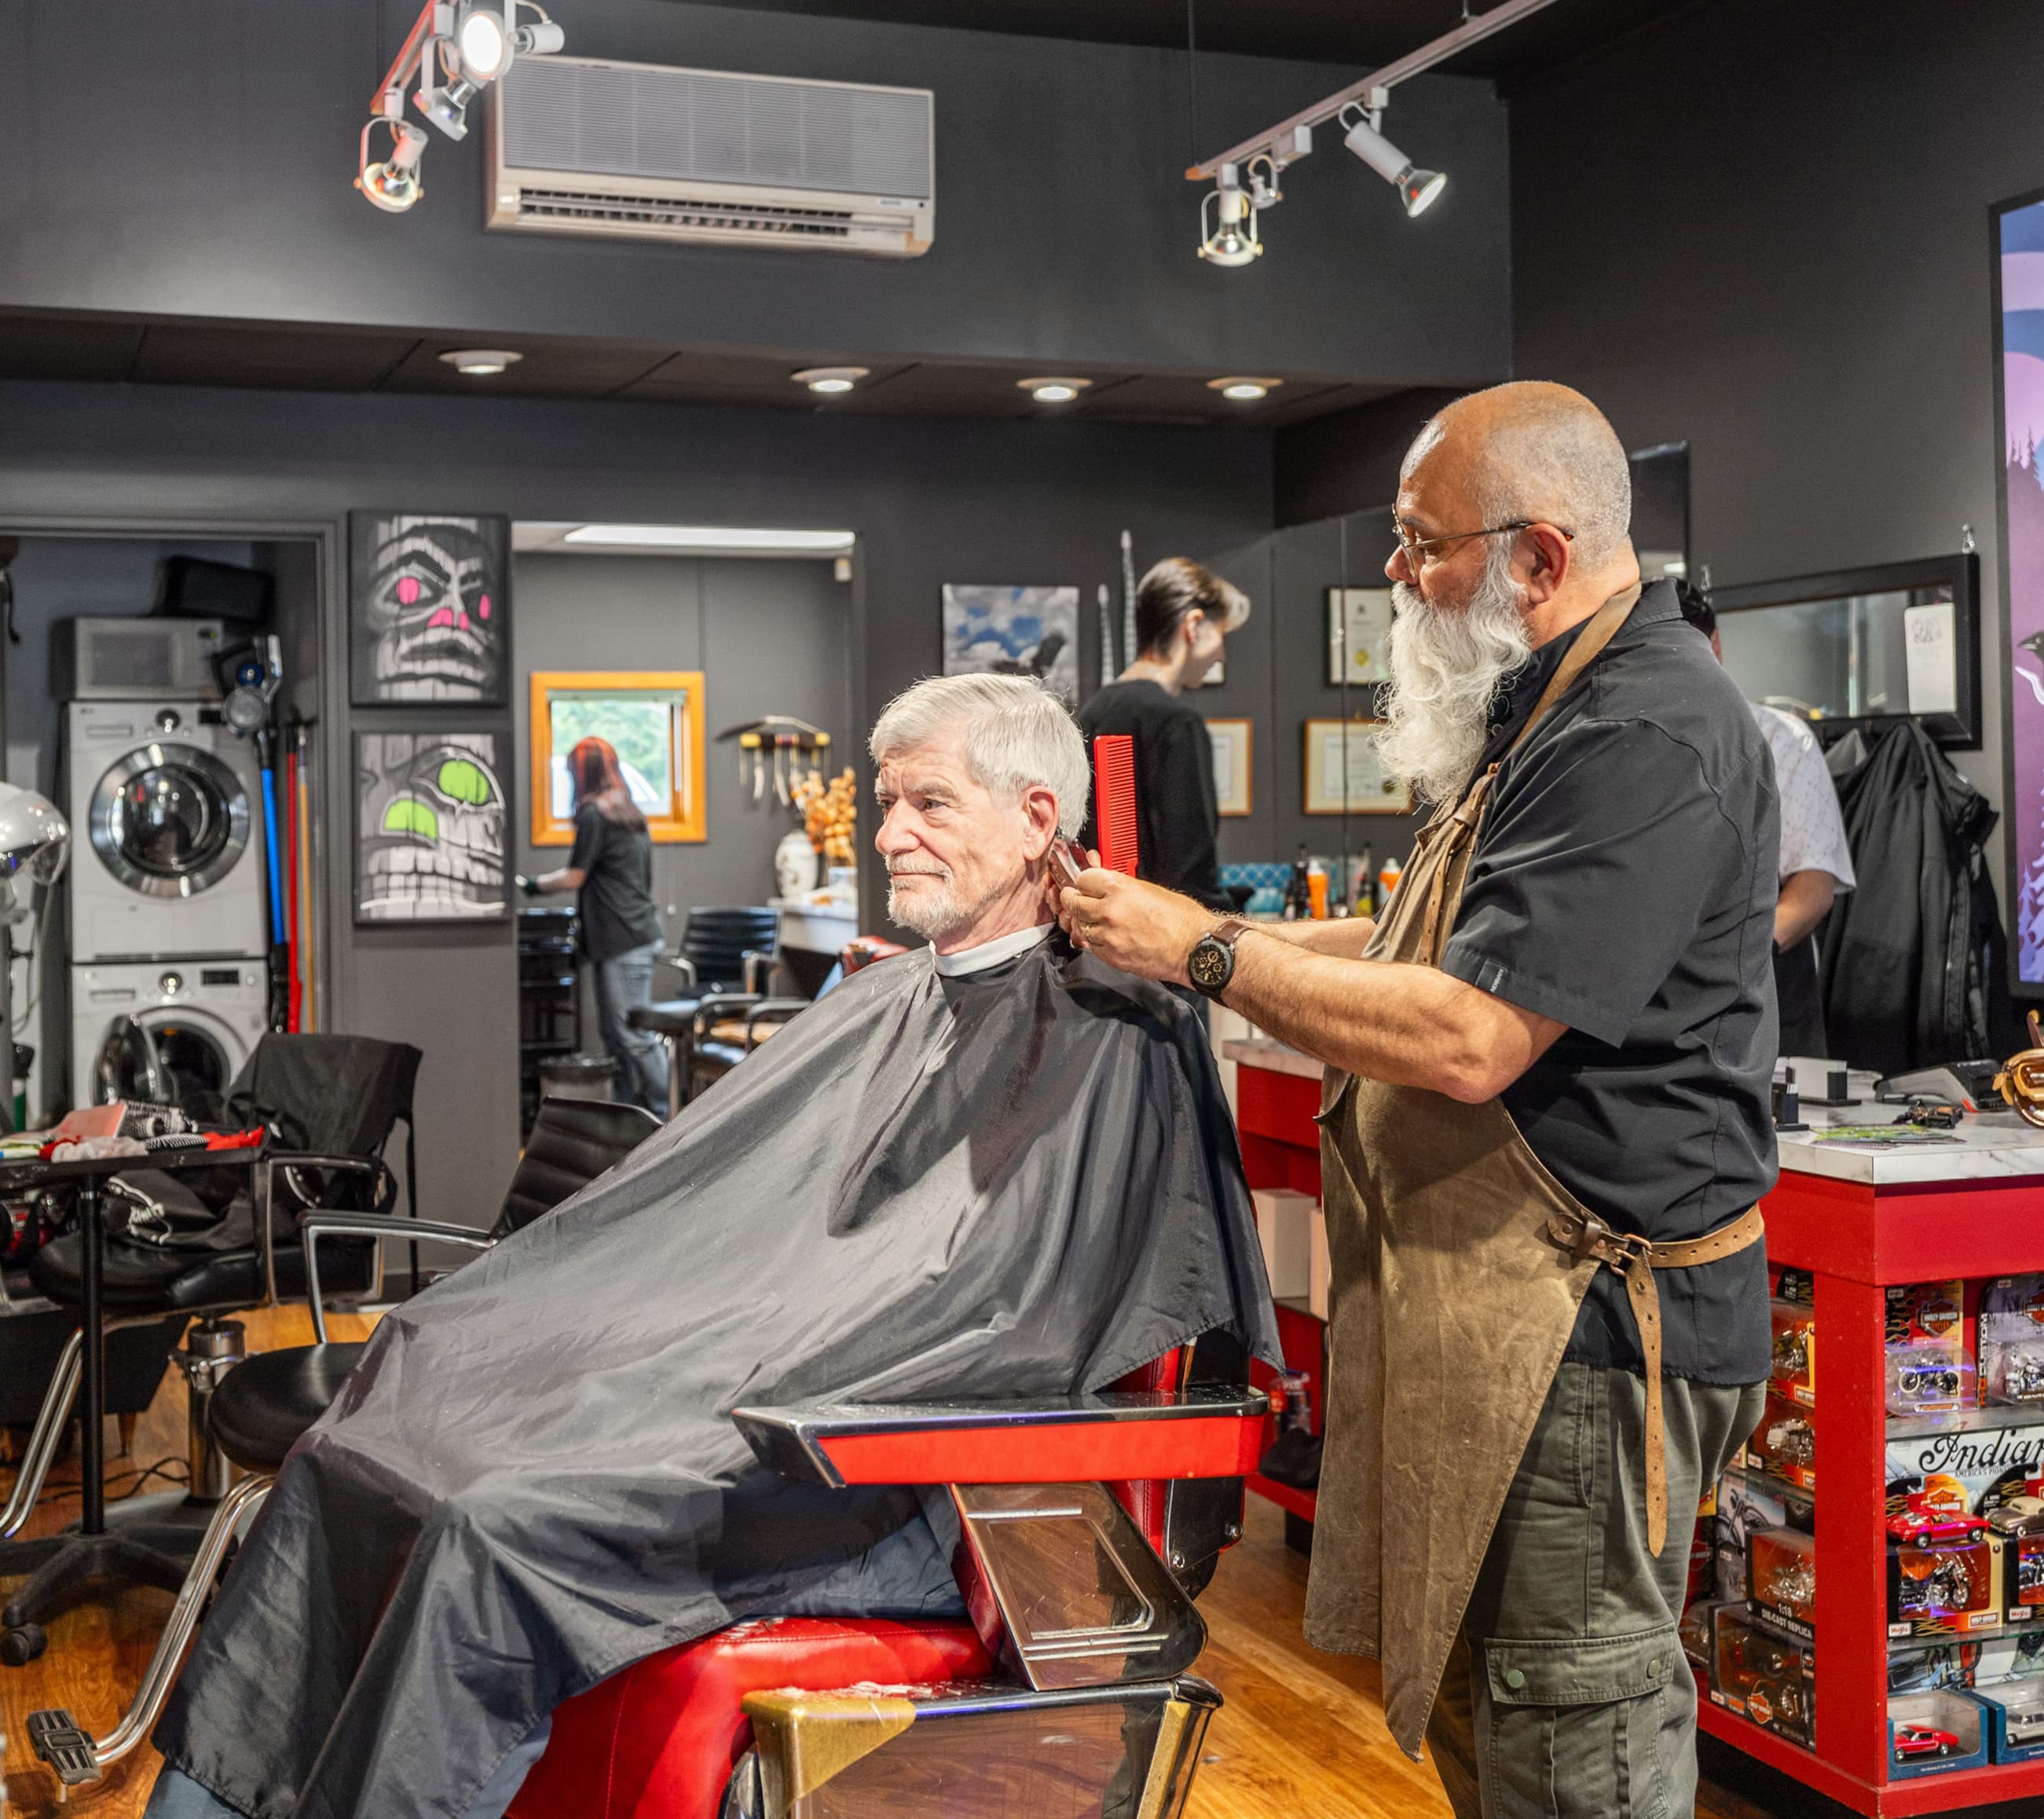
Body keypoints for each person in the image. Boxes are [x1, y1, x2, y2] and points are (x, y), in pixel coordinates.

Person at [148, 672, 1280, 1819]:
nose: (892, 834)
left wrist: (750, 1367)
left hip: (877, 1475)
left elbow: (1017, 1314)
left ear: (1040, 817)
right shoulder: (887, 998)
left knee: (493, 1527)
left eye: (930, 805)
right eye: (889, 803)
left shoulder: (1120, 1033)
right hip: (747, 1395)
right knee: (365, 1440)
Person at [1059, 382, 1778, 1819]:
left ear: (1541, 555)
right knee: (1487, 1707)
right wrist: (1189, 926)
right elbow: (1410, 948)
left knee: (1573, 1738)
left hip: (1588, 1338)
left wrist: (1204, 954)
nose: (1395, 574)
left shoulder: (1645, 732)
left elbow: (1466, 1035)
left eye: (1420, 543)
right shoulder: (1542, 707)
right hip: (1508, 1325)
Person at [1678, 578, 1856, 1058]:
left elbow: (1814, 890)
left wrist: (1723, 962)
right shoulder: (1635, 747)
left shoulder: (1781, 742)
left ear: (1714, 646)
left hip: (1766, 987)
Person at [1075, 559, 1247, 906]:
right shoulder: (1176, 723)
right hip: (1158, 938)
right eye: (1221, 636)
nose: (1222, 655)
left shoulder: (1090, 714)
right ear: (1194, 625)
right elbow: (1191, 875)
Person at [531, 736, 668, 1113]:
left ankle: (671, 1114)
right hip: (630, 935)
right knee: (616, 1034)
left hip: (623, 940)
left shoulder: (595, 815)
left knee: (631, 1035)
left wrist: (532, 885)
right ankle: (627, 1112)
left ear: (582, 774)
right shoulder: (628, 811)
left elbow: (575, 877)